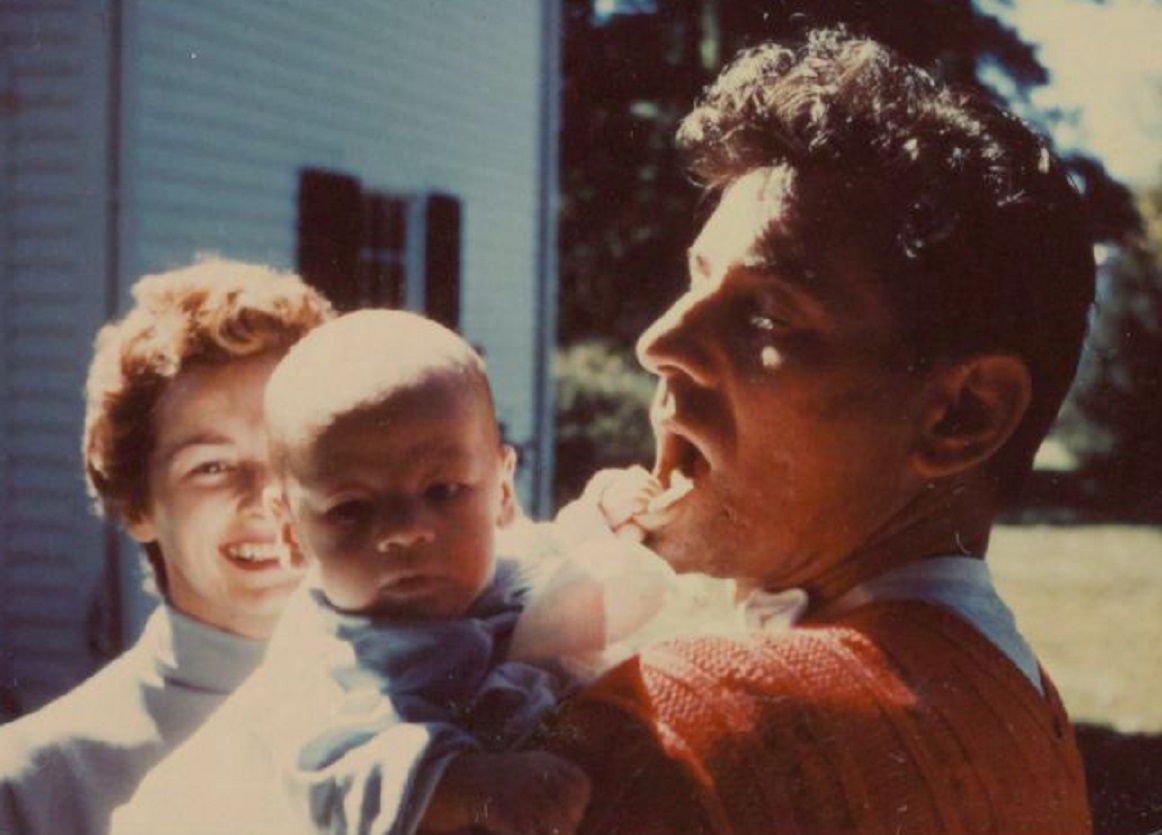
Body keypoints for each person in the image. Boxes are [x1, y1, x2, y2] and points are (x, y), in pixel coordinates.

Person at [542, 27, 1094, 835]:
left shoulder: (674, 731)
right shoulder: (1023, 703)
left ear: (961, 414)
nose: (657, 341)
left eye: (766, 313)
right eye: (696, 281)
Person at [112, 309, 680, 835]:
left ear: (501, 489)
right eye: (352, 508)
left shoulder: (504, 562)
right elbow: (331, 779)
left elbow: (552, 563)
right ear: (290, 532)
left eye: (442, 491)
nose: (405, 530)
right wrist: (473, 787)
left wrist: (602, 521)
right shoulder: (321, 665)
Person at [0, 259, 334, 835]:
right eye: (211, 467)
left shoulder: (438, 718)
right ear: (137, 506)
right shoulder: (36, 782)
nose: (265, 498)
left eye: (290, 457)